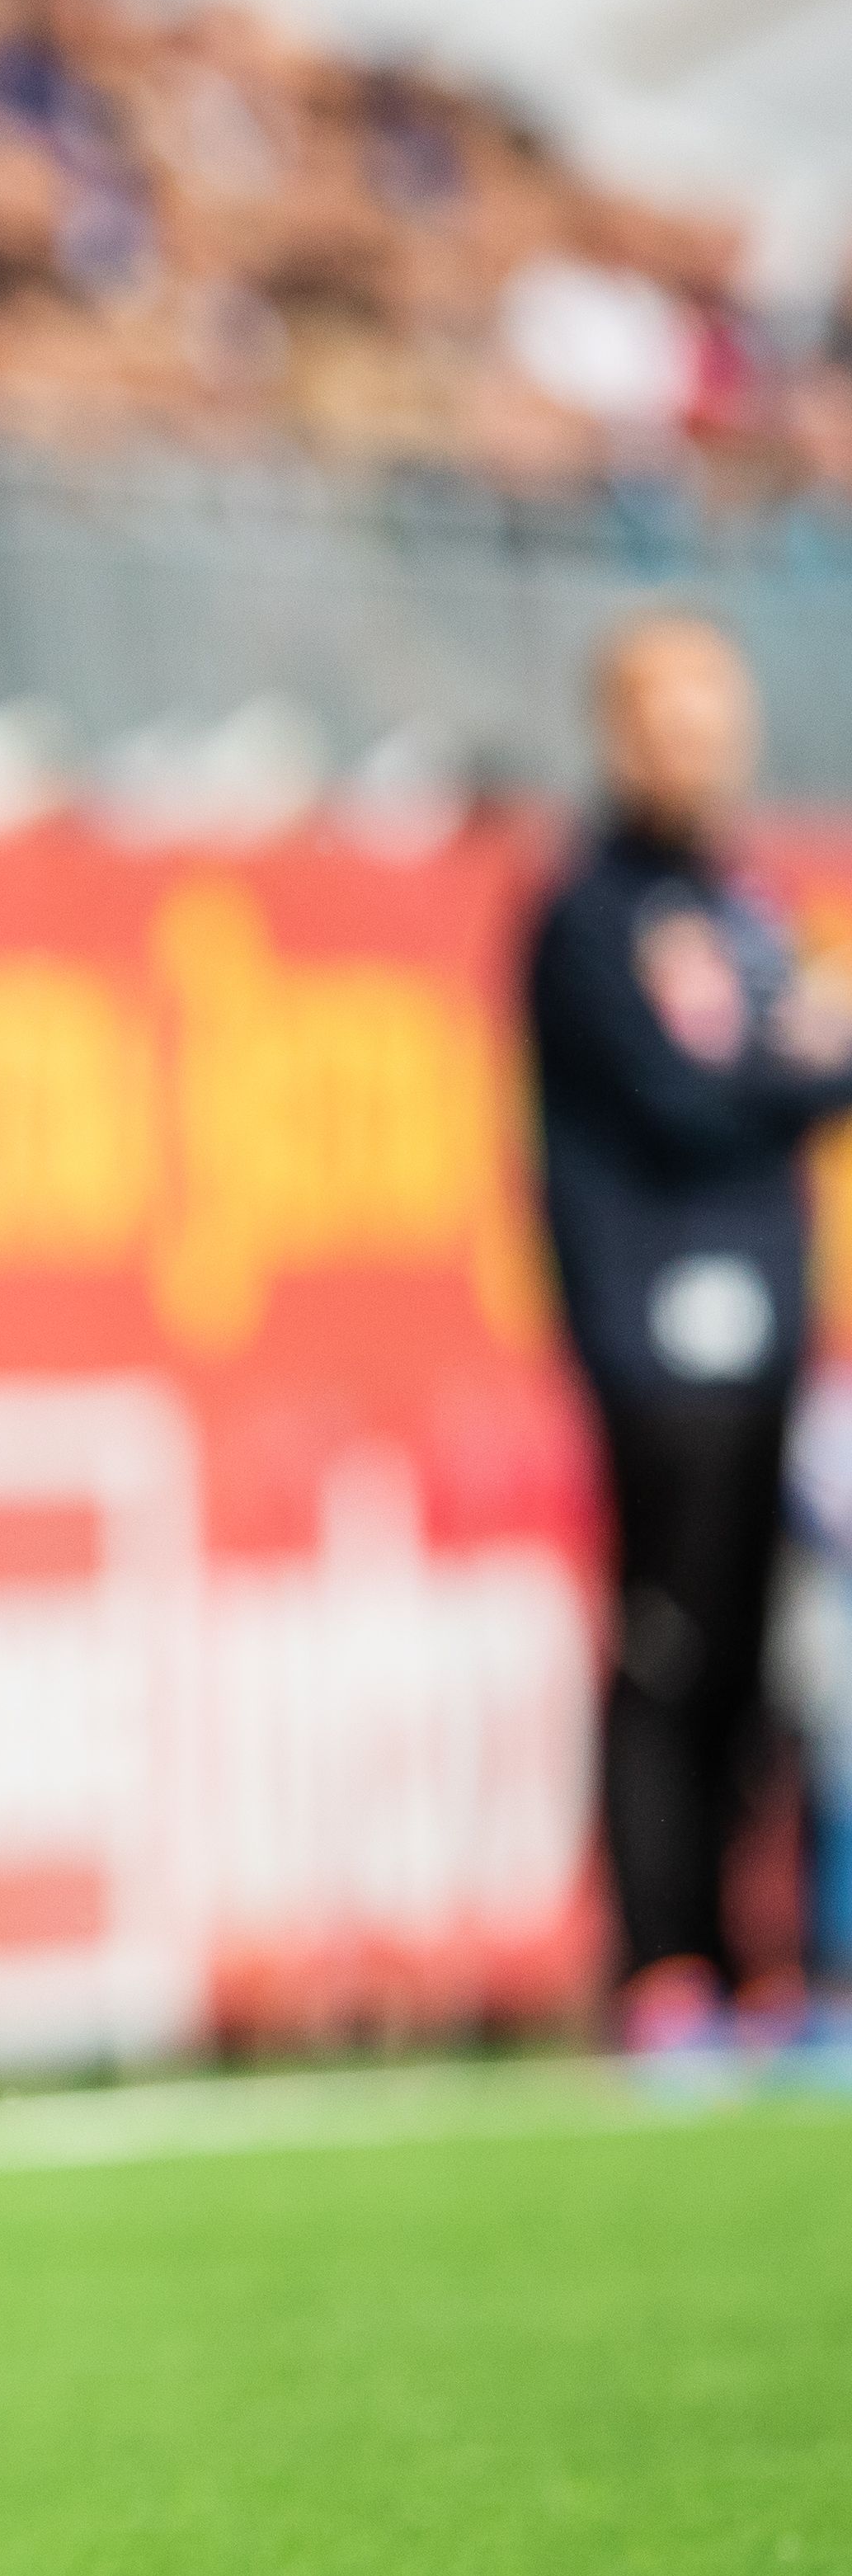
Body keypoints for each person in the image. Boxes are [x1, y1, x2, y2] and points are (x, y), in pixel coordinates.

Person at [525, 612, 852, 2054]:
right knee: (667, 1637)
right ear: (622, 735)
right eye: (673, 722)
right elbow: (685, 1096)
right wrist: (793, 1062)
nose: (702, 752)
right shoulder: (588, 916)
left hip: (767, 1323)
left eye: (718, 722)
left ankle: (748, 1954)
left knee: (758, 1658)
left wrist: (788, 1059)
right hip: (655, 1337)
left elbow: (789, 1062)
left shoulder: (744, 906)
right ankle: (661, 1960)